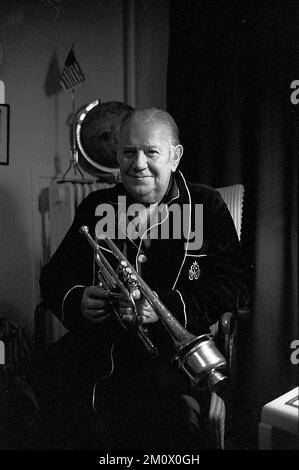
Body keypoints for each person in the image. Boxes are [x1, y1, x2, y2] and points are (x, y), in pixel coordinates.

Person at [38, 107, 249, 450]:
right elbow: (54, 278)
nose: (138, 164)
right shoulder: (96, 205)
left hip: (172, 357)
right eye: (128, 152)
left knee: (164, 419)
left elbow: (234, 287)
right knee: (36, 393)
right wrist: (78, 298)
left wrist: (163, 306)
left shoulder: (206, 205)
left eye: (151, 152)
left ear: (174, 156)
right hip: (97, 348)